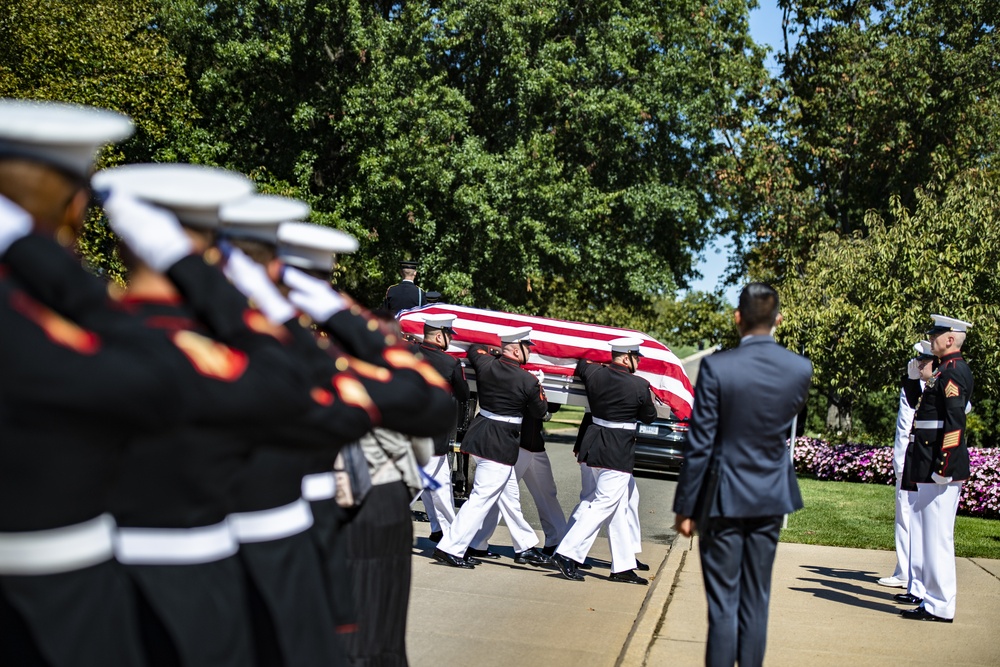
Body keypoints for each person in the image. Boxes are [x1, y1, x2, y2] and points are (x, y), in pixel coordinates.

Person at [672, 283, 812, 667]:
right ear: (778, 320)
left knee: (723, 606)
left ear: (738, 318)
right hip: (770, 495)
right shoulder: (800, 369)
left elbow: (700, 444)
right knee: (756, 601)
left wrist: (686, 506)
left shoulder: (718, 366)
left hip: (723, 497)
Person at [433, 326, 551, 568]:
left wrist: (494, 351)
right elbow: (540, 412)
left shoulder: (485, 364)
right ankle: (450, 547)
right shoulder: (528, 381)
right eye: (527, 348)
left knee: (510, 497)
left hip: (482, 436)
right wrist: (540, 386)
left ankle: (525, 545)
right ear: (517, 351)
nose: (529, 352)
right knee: (480, 498)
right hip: (498, 444)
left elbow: (475, 349)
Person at [552, 337, 656, 584]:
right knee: (603, 503)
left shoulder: (593, 374)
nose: (639, 362)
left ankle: (622, 565)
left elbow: (582, 363)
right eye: (636, 357)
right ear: (627, 356)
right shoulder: (639, 385)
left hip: (594, 445)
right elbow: (649, 417)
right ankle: (567, 553)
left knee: (617, 507)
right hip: (616, 450)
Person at [899, 314, 973, 623]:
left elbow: (955, 424)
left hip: (940, 466)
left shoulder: (953, 372)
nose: (931, 339)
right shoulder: (944, 371)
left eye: (937, 335)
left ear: (951, 339)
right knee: (930, 535)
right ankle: (931, 599)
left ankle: (941, 604)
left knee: (938, 537)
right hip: (930, 463)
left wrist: (943, 465)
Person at [877, 341, 935, 590]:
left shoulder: (936, 384)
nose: (919, 364)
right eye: (919, 360)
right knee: (906, 515)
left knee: (913, 516)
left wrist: (899, 460)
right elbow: (903, 424)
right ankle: (905, 569)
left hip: (918, 455)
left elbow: (906, 424)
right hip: (912, 454)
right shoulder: (913, 384)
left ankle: (909, 572)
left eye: (923, 360)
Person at [414, 314, 471, 542]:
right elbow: (464, 394)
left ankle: (444, 532)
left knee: (440, 482)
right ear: (439, 336)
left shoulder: (409, 352)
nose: (450, 339)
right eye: (448, 335)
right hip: (433, 431)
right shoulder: (449, 363)